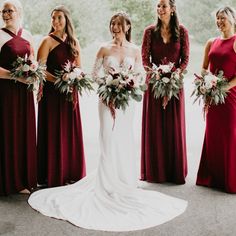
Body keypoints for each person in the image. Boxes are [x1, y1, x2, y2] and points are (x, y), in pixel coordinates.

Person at [28, 12, 187, 231]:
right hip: (106, 100)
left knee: (123, 139)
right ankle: (105, 183)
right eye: (113, 24)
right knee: (107, 138)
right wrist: (109, 85)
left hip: (126, 104)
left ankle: (123, 181)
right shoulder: (103, 48)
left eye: (120, 24)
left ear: (128, 26)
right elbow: (94, 74)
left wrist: (129, 84)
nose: (115, 27)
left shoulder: (133, 49)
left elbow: (141, 74)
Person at [36, 5, 86, 187]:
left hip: (69, 96)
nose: (56, 21)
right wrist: (60, 79)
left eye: (59, 18)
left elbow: (79, 66)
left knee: (69, 132)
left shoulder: (74, 42)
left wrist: (74, 77)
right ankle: (52, 174)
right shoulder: (46, 41)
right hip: (51, 95)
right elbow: (40, 69)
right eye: (53, 18)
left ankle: (71, 171)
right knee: (53, 131)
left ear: (66, 20)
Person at [141, 0, 189, 184]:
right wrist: (156, 74)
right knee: (155, 127)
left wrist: (175, 74)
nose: (160, 9)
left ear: (172, 9)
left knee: (173, 127)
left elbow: (185, 60)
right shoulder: (149, 32)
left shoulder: (182, 31)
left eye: (164, 6)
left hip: (175, 85)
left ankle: (174, 171)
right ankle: (156, 172)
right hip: (154, 84)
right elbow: (145, 59)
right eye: (158, 6)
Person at [196, 7, 236, 193]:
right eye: (217, 18)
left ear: (232, 20)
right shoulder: (211, 42)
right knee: (213, 135)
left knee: (229, 135)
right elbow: (204, 68)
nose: (219, 21)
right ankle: (212, 178)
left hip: (230, 98)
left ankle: (229, 179)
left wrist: (224, 86)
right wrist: (207, 80)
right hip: (212, 97)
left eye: (223, 18)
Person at [0, 0, 37, 195]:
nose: (6, 14)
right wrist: (16, 76)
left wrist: (32, 73)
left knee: (25, 131)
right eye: (3, 11)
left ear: (19, 12)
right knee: (8, 131)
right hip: (5, 92)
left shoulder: (28, 35)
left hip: (25, 92)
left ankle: (24, 178)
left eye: (9, 10)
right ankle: (8, 179)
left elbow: (33, 61)